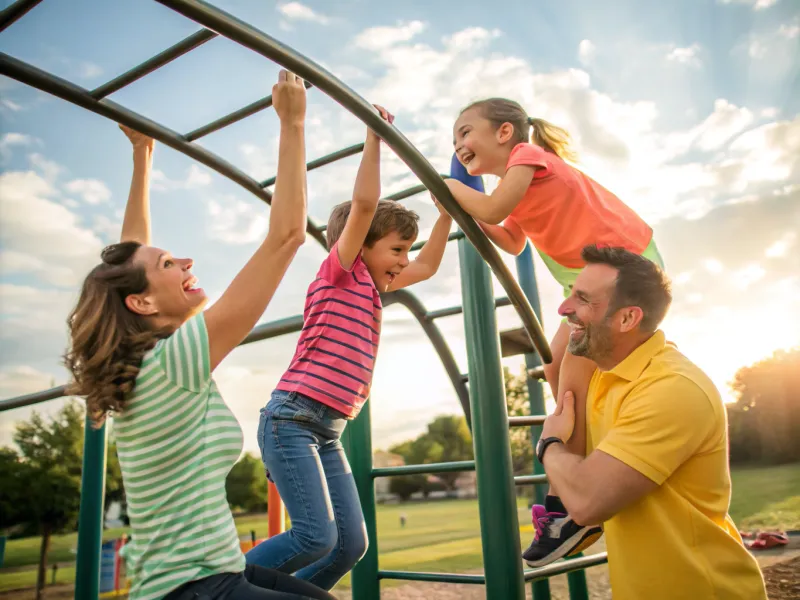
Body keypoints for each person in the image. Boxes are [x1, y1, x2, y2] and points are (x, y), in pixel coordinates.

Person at [65, 71, 336, 600]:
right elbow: (285, 237)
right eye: (170, 263)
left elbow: (131, 260)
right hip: (192, 588)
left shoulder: (147, 362)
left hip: (209, 573)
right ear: (142, 304)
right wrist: (293, 122)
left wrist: (143, 158)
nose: (186, 261)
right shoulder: (173, 363)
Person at [445, 97, 664, 565]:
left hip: (622, 263)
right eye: (456, 139)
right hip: (587, 281)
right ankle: (584, 479)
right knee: (554, 365)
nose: (459, 143)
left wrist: (449, 189)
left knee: (574, 373)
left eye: (465, 132)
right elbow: (508, 235)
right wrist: (467, 210)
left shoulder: (527, 157)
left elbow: (492, 206)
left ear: (505, 133)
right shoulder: (515, 186)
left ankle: (573, 506)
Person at [245, 106, 454, 590]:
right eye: (397, 249)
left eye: (407, 250)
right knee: (314, 538)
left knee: (349, 546)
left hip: (327, 431)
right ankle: (215, 585)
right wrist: (374, 137)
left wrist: (444, 218)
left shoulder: (374, 288)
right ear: (359, 245)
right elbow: (364, 206)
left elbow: (429, 267)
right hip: (292, 420)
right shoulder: (341, 272)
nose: (405, 261)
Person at [537, 245, 767, 600]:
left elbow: (587, 502)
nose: (564, 307)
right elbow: (561, 356)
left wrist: (550, 445)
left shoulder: (672, 388)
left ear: (628, 319)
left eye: (583, 299)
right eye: (570, 293)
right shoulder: (602, 373)